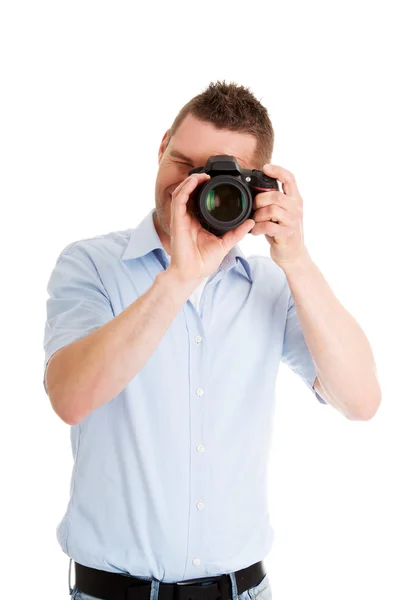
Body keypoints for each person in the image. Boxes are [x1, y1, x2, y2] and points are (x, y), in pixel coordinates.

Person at [43, 81, 381, 600]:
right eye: (183, 164)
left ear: (257, 186)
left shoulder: (273, 286)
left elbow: (361, 401)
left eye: (217, 177)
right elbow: (69, 397)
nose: (192, 187)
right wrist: (181, 276)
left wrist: (296, 259)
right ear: (161, 148)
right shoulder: (90, 265)